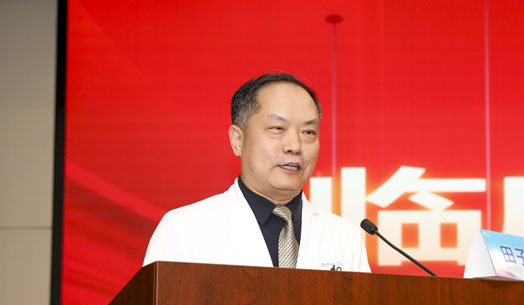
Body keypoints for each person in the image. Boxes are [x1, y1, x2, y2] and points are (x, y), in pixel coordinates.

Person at [143, 73, 371, 272]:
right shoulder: (183, 229)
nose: (294, 146)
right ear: (238, 140)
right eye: (277, 128)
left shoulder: (345, 238)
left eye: (308, 132)